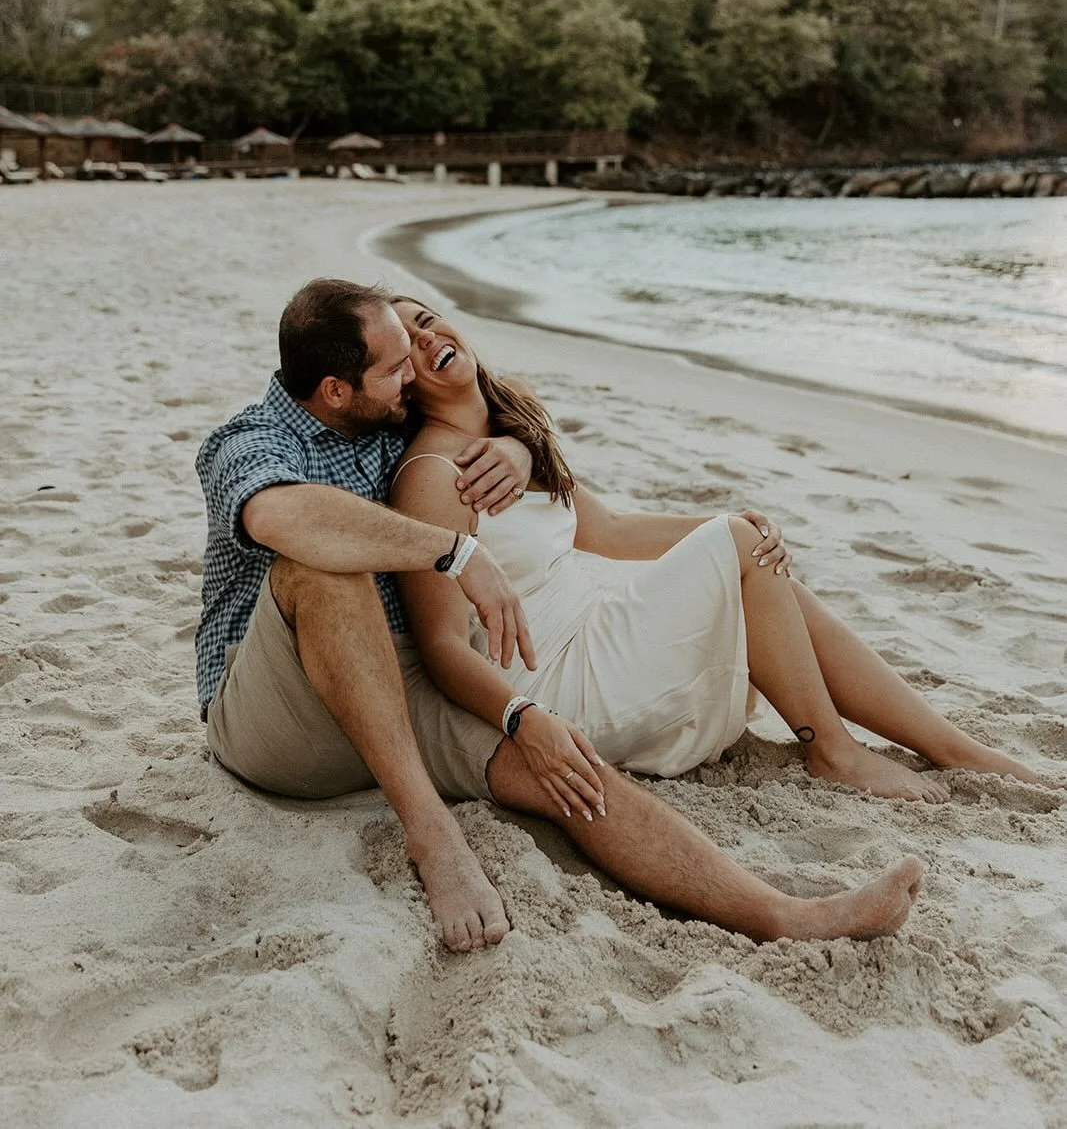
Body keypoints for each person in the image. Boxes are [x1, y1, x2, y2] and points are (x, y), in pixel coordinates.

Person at [195, 277, 928, 953]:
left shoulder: (382, 417)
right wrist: (454, 552)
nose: (409, 376)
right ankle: (433, 836)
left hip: (394, 684)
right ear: (334, 390)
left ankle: (783, 915)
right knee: (322, 569)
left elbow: (468, 413)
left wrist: (517, 447)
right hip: (280, 716)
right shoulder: (248, 444)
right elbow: (285, 516)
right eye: (394, 370)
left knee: (561, 760)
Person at [388, 295, 1055, 825]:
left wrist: (739, 525)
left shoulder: (506, 426)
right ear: (397, 381)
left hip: (594, 633)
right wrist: (523, 720)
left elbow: (610, 531)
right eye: (405, 343)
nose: (426, 337)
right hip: (558, 683)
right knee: (736, 548)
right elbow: (442, 646)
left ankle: (948, 746)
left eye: (426, 319)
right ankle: (832, 749)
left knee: (749, 551)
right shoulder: (431, 477)